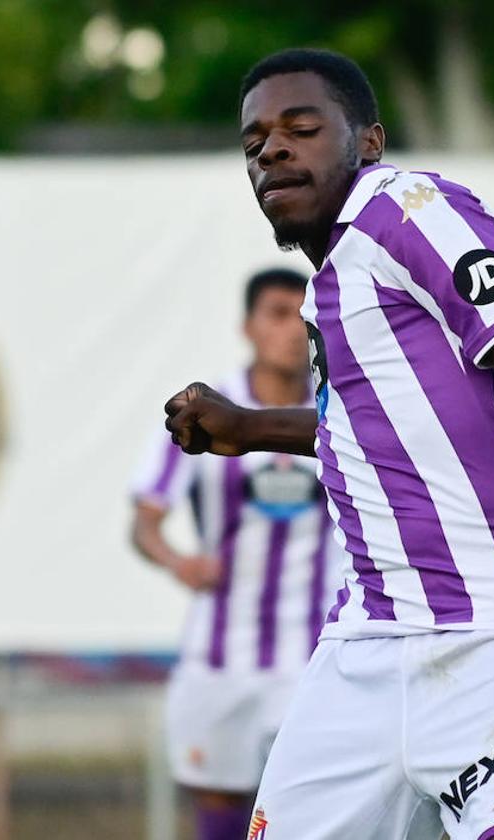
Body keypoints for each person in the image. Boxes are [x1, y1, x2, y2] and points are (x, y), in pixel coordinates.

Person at [164, 48, 494, 840]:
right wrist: (251, 426)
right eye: (254, 142)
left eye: (301, 127)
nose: (272, 150)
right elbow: (369, 433)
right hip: (364, 649)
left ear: (368, 140)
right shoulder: (327, 288)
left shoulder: (405, 206)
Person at [130, 267, 338, 840]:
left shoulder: (340, 415)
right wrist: (178, 561)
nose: (292, 330)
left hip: (312, 660)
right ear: (247, 326)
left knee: (306, 812)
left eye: (303, 317)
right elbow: (146, 522)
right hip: (220, 660)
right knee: (220, 813)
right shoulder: (205, 410)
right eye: (276, 314)